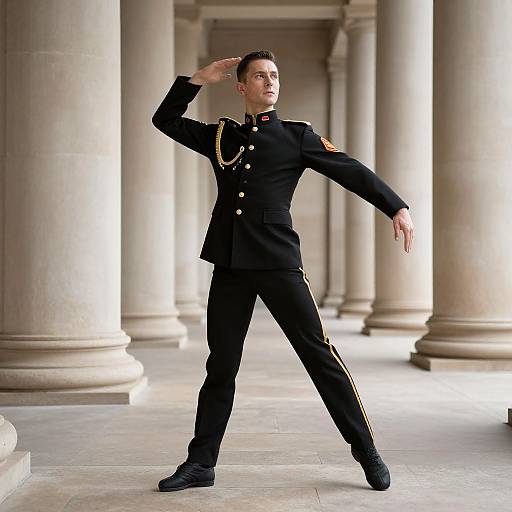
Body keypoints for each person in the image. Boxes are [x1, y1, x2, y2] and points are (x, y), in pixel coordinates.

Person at [152, 50, 414, 493]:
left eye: (274, 75)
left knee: (320, 357)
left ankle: (366, 450)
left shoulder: (297, 137)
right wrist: (198, 78)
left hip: (277, 261)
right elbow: (166, 120)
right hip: (231, 263)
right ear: (241, 87)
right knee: (221, 366)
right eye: (259, 76)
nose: (270, 82)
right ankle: (201, 463)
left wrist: (396, 206)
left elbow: (349, 169)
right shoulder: (222, 137)